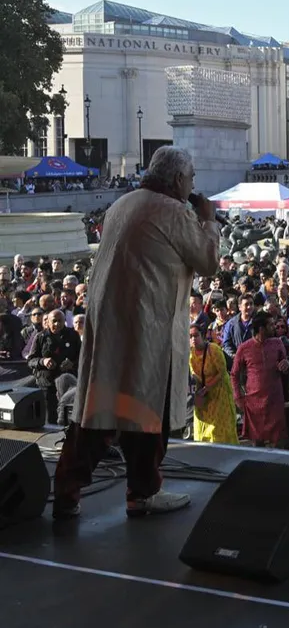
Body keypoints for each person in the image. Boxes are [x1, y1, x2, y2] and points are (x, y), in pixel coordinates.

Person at [53, 146, 220, 520]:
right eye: (191, 178)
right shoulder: (175, 211)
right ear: (178, 181)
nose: (194, 184)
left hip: (110, 324)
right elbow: (208, 261)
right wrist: (207, 220)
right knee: (147, 409)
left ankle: (66, 491)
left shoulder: (122, 203)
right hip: (147, 328)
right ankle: (143, 493)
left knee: (98, 408)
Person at [231, 312, 289, 448]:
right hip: (254, 403)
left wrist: (286, 365)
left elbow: (286, 368)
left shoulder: (277, 343)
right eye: (270, 325)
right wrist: (238, 397)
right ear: (261, 329)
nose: (274, 327)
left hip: (275, 400)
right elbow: (234, 375)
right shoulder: (244, 348)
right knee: (257, 444)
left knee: (279, 443)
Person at [188, 320, 237, 444]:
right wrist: (198, 390)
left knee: (219, 429)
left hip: (219, 392)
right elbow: (194, 374)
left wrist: (207, 387)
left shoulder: (213, 349)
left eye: (196, 335)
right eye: (190, 336)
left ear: (203, 336)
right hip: (203, 394)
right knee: (202, 427)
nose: (193, 339)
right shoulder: (190, 354)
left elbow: (222, 372)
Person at [28, 309, 80, 425]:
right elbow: (31, 360)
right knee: (50, 418)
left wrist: (72, 363)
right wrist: (43, 361)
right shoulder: (40, 337)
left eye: (60, 321)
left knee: (68, 418)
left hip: (68, 384)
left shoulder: (73, 335)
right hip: (47, 383)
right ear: (48, 322)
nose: (57, 324)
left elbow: (83, 357)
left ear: (65, 321)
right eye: (54, 321)